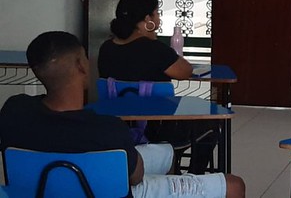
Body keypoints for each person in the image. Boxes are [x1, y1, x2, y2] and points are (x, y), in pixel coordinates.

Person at [0, 31, 245, 198]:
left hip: (40, 190)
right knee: (234, 185)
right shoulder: (107, 129)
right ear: (81, 66)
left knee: (166, 153)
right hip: (115, 191)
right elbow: (136, 178)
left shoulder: (14, 111)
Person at [98, 0, 214, 174]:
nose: (159, 18)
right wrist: (154, 41)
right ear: (147, 19)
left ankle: (169, 166)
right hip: (158, 129)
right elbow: (185, 71)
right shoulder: (155, 49)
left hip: (117, 126)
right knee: (211, 123)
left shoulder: (106, 48)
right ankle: (191, 175)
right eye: (157, 13)